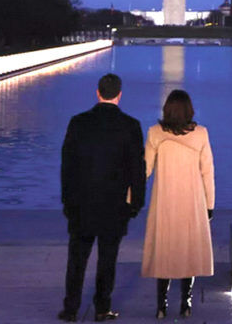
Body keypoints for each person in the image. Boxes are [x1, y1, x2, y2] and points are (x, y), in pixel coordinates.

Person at [59, 73, 145, 322]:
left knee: (76, 259)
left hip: (81, 204)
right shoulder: (131, 125)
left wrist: (67, 201)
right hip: (114, 204)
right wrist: (136, 203)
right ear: (119, 94)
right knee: (108, 259)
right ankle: (101, 308)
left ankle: (70, 309)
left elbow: (67, 166)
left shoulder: (78, 122)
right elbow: (137, 170)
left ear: (97, 93)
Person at [141, 89, 215, 319]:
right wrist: (209, 205)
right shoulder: (201, 134)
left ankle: (161, 306)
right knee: (188, 251)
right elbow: (207, 173)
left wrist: (128, 196)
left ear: (167, 110)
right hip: (191, 202)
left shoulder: (154, 133)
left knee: (164, 251)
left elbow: (145, 170)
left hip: (164, 202)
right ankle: (186, 303)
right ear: (189, 110)